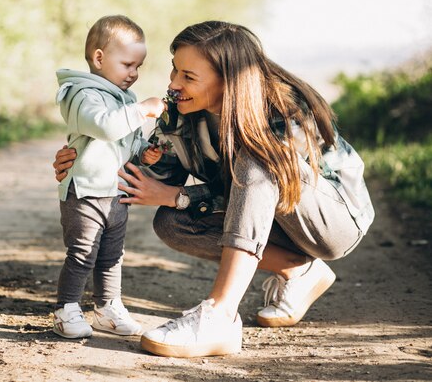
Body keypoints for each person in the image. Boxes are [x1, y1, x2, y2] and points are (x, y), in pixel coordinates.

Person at [52, 20, 375, 356]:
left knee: (257, 157)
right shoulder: (179, 110)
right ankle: (297, 269)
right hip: (275, 221)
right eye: (174, 70)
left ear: (229, 79)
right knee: (171, 223)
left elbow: (273, 185)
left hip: (333, 220)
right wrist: (83, 164)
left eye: (188, 77)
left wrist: (182, 196)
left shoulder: (283, 106)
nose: (174, 84)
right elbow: (148, 172)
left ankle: (220, 314)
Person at [52, 15, 166, 339]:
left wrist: (145, 152)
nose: (134, 73)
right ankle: (66, 308)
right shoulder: (80, 94)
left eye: (138, 67)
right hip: (85, 192)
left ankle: (107, 308)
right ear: (99, 58)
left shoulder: (124, 99)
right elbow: (104, 126)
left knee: (112, 255)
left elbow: (125, 140)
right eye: (128, 64)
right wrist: (142, 109)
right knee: (82, 252)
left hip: (115, 192)